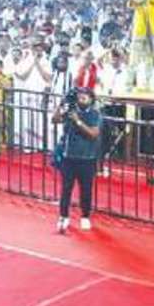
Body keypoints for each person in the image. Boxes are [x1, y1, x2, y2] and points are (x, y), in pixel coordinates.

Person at [55, 85, 103, 233]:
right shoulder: (71, 111)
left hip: (87, 158)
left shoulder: (95, 114)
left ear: (91, 99)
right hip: (69, 157)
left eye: (84, 97)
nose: (81, 99)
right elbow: (55, 119)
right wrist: (61, 105)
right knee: (66, 188)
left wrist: (78, 121)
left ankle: (85, 217)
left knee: (86, 189)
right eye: (79, 96)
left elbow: (93, 134)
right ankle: (63, 216)